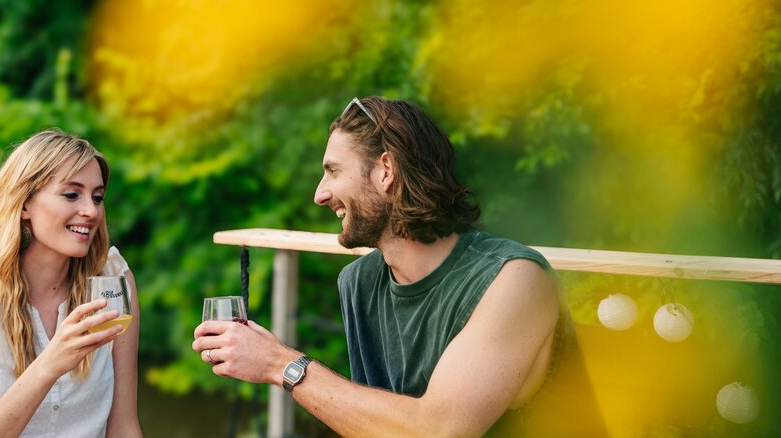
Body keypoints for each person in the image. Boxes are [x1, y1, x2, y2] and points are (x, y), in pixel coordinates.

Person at [193, 97, 605, 436]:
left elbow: (440, 430)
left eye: (333, 171)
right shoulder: (359, 281)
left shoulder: (514, 279)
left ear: (386, 171)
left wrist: (279, 364)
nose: (320, 194)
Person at [0, 129, 142, 437]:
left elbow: (124, 427)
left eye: (97, 197)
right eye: (71, 194)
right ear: (25, 203)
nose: (91, 211)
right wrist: (49, 364)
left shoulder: (113, 281)